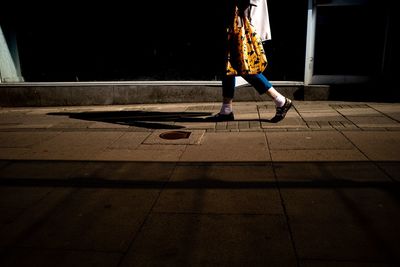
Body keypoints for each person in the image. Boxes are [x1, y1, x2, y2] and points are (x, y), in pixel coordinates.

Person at [208, 0, 292, 122]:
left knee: (242, 64)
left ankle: (280, 100)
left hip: (238, 22)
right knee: (229, 65)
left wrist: (238, 20)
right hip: (235, 20)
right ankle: (226, 109)